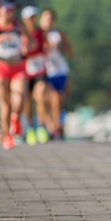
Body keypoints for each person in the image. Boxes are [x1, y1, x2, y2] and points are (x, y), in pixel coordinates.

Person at [0, 0, 31, 150]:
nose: (11, 13)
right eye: (8, 9)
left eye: (13, 10)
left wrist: (26, 47)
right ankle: (8, 136)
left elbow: (31, 42)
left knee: (19, 100)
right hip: (1, 68)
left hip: (17, 67)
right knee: (5, 104)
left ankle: (16, 116)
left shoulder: (19, 26)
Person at [39, 8, 73, 139]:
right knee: (44, 99)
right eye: (45, 18)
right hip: (43, 71)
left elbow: (71, 51)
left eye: (50, 19)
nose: (48, 21)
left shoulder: (59, 34)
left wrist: (60, 46)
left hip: (59, 71)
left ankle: (57, 127)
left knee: (58, 101)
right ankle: (46, 125)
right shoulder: (36, 34)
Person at [21, 5, 50, 145]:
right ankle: (30, 128)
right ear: (24, 19)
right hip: (26, 72)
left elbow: (46, 47)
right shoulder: (20, 33)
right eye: (29, 18)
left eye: (34, 17)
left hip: (40, 70)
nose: (32, 20)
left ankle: (41, 127)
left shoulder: (41, 32)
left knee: (41, 96)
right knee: (27, 102)